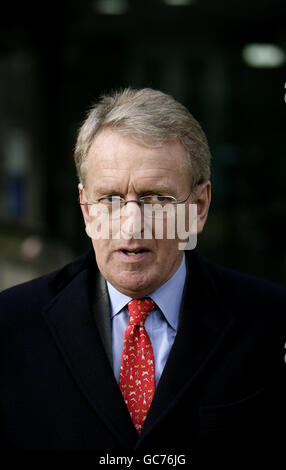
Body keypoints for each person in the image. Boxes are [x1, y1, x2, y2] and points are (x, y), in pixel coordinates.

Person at [0, 88, 285, 465]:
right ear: (86, 211)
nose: (132, 225)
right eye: (111, 200)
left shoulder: (270, 320)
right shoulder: (11, 325)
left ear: (198, 208)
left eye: (156, 199)